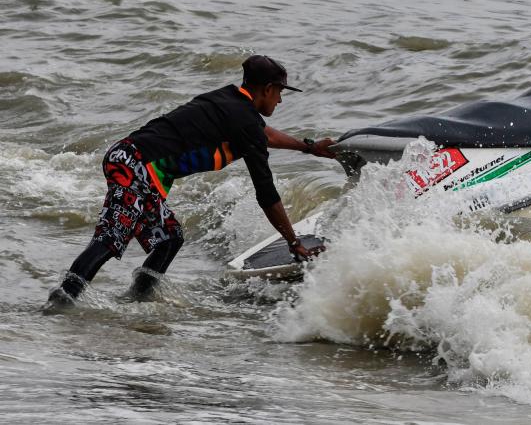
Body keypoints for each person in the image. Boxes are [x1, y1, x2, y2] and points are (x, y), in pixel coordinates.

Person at [46, 55, 335, 309]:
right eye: (280, 93)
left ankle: (138, 298)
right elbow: (266, 193)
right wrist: (293, 242)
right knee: (111, 238)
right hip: (136, 165)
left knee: (170, 237)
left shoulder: (230, 99)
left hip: (130, 159)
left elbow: (264, 134)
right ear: (268, 89)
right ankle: (59, 304)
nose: (280, 100)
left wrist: (309, 147)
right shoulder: (243, 119)